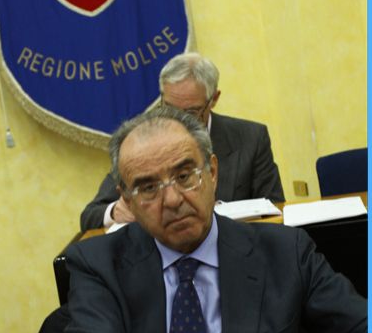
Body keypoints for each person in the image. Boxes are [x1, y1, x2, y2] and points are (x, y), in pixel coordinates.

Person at [65, 106, 367, 333]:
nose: (172, 200)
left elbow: (359, 329)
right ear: (128, 200)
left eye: (184, 176)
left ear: (212, 172)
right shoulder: (98, 262)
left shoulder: (284, 252)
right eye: (148, 188)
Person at [79, 53, 285, 232]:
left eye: (191, 112)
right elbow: (90, 216)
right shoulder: (141, 144)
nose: (177, 120)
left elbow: (276, 209)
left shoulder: (250, 137)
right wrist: (115, 211)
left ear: (213, 99)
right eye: (169, 109)